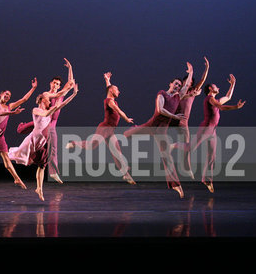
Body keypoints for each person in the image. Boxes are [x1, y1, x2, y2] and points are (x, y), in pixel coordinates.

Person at [124, 62, 193, 198]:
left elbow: (187, 86)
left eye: (179, 85)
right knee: (126, 134)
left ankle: (176, 185)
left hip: (161, 131)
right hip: (151, 125)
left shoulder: (178, 97)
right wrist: (174, 116)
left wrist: (191, 72)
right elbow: (160, 110)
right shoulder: (162, 94)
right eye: (176, 84)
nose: (178, 86)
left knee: (166, 156)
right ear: (170, 84)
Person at [9, 84, 78, 201]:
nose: (49, 102)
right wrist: (53, 108)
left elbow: (63, 104)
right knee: (14, 156)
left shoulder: (49, 110)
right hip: (32, 141)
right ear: (41, 100)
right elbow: (45, 114)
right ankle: (13, 173)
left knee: (42, 166)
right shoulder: (36, 110)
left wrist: (73, 94)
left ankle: (39, 189)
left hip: (42, 143)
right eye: (48, 100)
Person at [66, 72, 135, 184]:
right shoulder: (110, 101)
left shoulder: (110, 95)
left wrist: (107, 79)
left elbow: (108, 88)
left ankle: (126, 175)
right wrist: (126, 119)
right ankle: (74, 143)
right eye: (117, 89)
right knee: (91, 146)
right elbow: (119, 111)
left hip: (110, 131)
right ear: (112, 91)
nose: (119, 91)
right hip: (104, 129)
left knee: (116, 151)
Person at [17, 58, 75, 183]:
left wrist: (70, 68)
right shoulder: (46, 94)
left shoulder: (60, 94)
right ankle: (53, 172)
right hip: (44, 122)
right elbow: (60, 94)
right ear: (50, 83)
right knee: (52, 146)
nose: (56, 85)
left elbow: (70, 83)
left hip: (50, 123)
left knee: (49, 148)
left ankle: (39, 163)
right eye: (54, 83)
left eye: (58, 84)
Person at [189, 74, 245, 193]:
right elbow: (222, 107)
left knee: (211, 156)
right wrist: (236, 107)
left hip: (212, 131)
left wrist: (233, 84)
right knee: (190, 148)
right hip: (206, 128)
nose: (218, 88)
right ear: (210, 89)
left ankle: (207, 180)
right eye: (216, 86)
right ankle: (174, 146)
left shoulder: (215, 100)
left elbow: (228, 97)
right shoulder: (210, 99)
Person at [170, 57, 210, 178]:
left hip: (183, 121)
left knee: (187, 145)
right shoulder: (178, 90)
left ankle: (187, 168)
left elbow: (202, 80)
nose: (189, 83)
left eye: (191, 82)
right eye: (187, 81)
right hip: (172, 118)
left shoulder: (193, 90)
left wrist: (207, 68)